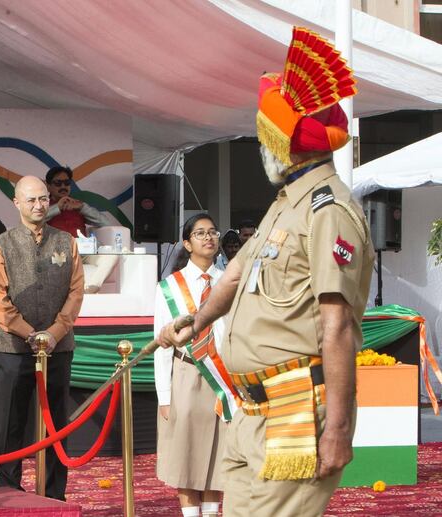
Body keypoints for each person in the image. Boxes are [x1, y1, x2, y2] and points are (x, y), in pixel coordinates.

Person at [158, 27, 373, 516]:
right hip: (251, 410)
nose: (261, 147)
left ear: (290, 145)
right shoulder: (284, 205)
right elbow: (234, 275)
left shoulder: (329, 211)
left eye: (266, 137)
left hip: (296, 408)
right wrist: (197, 321)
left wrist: (337, 430)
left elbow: (337, 325)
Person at [0, 175, 84, 501]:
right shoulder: (1, 244)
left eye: (43, 198)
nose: (39, 205)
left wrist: (54, 334)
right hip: (14, 349)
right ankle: (8, 495)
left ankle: (55, 496)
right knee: (10, 426)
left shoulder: (67, 242)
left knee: (56, 425)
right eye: (31, 200)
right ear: (16, 203)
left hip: (59, 348)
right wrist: (32, 335)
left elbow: (75, 294)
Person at [154, 213, 227, 517]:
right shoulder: (169, 287)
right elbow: (161, 345)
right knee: (186, 457)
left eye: (212, 232)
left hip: (223, 378)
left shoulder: (229, 282)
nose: (208, 237)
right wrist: (165, 396)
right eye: (200, 233)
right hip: (186, 373)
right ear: (187, 242)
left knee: (216, 457)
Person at [45, 166, 115, 293]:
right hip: (58, 254)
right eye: (58, 183)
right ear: (48, 186)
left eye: (67, 183)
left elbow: (106, 223)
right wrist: (57, 208)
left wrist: (82, 208)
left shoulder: (76, 205)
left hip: (83, 253)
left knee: (111, 256)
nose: (63, 186)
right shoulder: (43, 207)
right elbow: (33, 222)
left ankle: (90, 289)